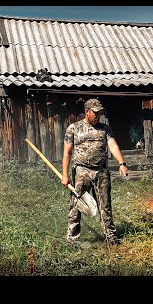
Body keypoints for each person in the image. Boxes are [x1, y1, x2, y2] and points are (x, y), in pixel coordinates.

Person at [61, 98, 129, 245]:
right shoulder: (74, 128)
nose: (98, 116)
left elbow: (113, 146)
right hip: (81, 171)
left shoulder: (105, 129)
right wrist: (65, 175)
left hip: (101, 172)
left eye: (100, 113)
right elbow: (67, 153)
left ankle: (110, 237)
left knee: (105, 206)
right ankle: (72, 239)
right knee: (76, 206)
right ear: (87, 111)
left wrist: (122, 163)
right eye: (95, 113)